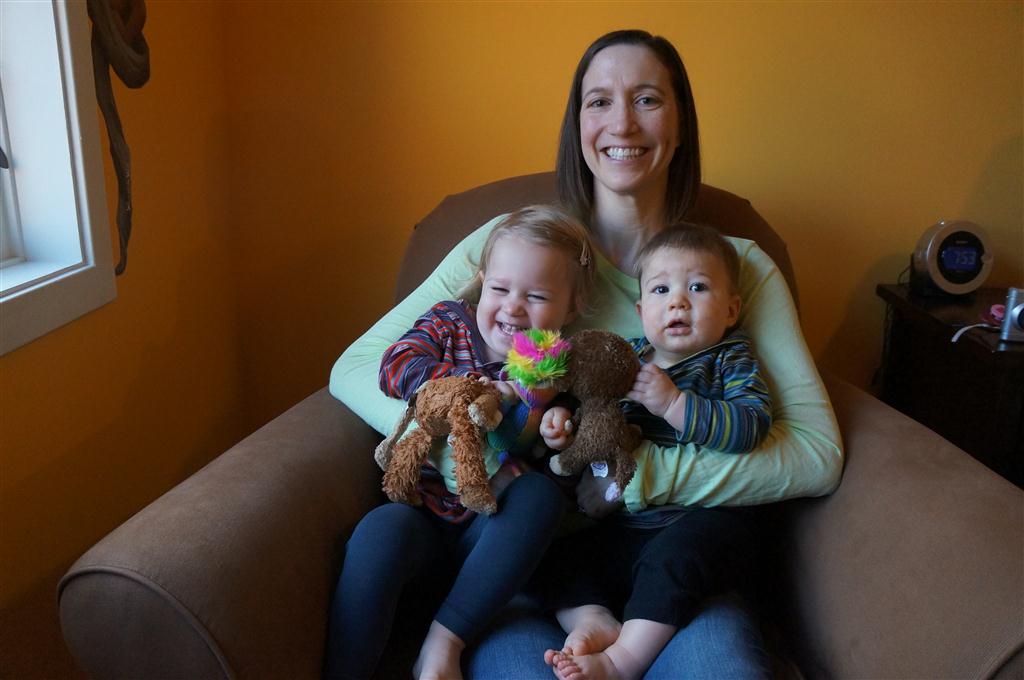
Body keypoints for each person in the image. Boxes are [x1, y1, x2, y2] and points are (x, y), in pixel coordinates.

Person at [330, 28, 842, 679]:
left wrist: (637, 476)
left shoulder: (731, 269)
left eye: (647, 99)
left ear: (681, 122)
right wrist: (457, 436)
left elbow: (816, 454)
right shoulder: (518, 247)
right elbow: (356, 367)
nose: (621, 122)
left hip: (677, 560)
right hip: (527, 566)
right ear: (577, 126)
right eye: (599, 102)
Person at [324, 205, 595, 680]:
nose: (513, 308)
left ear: (570, 309)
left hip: (492, 543)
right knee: (380, 529)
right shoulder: (449, 322)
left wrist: (557, 430)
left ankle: (443, 641)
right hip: (423, 522)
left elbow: (562, 466)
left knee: (539, 496)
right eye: (500, 289)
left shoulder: (554, 368)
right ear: (482, 282)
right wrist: (469, 388)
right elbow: (395, 366)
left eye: (536, 296)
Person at [538, 223, 773, 680]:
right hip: (623, 525)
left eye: (697, 287)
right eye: (662, 290)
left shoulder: (729, 358)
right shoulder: (627, 357)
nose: (678, 302)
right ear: (642, 310)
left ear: (731, 309)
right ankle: (592, 618)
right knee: (546, 550)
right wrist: (562, 420)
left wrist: (674, 405)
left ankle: (621, 660)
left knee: (675, 558)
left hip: (695, 522)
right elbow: (587, 398)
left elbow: (751, 425)